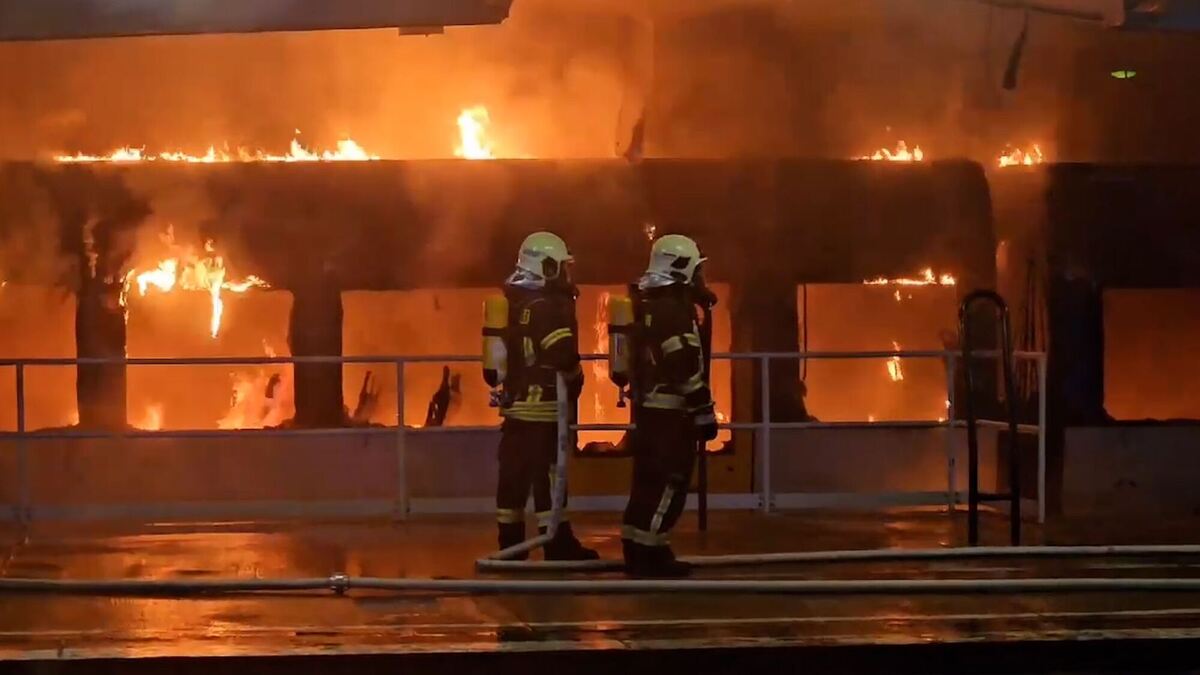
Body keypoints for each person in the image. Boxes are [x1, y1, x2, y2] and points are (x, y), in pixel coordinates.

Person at [494, 232, 598, 561]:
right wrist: (576, 377)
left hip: (515, 410)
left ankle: (510, 546)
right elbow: (562, 353)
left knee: (512, 480)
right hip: (544, 410)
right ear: (549, 267)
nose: (567, 274)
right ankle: (557, 543)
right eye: (563, 266)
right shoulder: (549, 307)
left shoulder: (513, 301)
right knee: (551, 478)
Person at [622, 234, 718, 578]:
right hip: (671, 416)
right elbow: (683, 363)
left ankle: (638, 546)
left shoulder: (650, 305)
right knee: (670, 483)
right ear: (681, 270)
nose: (700, 279)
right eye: (696, 271)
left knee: (646, 483)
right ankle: (650, 553)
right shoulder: (675, 310)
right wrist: (702, 409)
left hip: (650, 412)